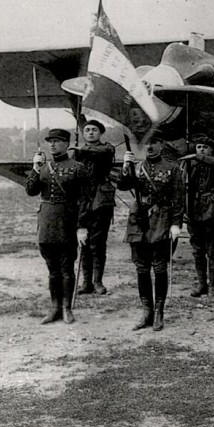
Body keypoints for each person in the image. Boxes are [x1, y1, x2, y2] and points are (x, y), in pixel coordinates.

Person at [118, 130, 183, 332]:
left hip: (161, 220)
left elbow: (178, 198)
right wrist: (126, 166)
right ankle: (146, 311)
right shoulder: (136, 167)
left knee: (160, 267)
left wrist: (176, 224)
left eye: (154, 143)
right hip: (139, 220)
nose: (150, 147)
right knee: (142, 268)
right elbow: (123, 185)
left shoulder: (172, 168)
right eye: (146, 143)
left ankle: (159, 311)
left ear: (162, 145)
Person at [25, 129, 91, 324]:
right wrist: (35, 169)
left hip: (67, 221)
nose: (52, 145)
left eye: (57, 141)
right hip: (46, 222)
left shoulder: (78, 168)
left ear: (66, 144)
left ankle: (66, 308)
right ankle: (54, 308)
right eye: (50, 141)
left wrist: (82, 226)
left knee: (66, 267)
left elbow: (85, 200)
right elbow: (30, 191)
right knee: (52, 268)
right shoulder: (44, 167)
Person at [181, 133, 214, 298]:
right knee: (197, 248)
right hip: (194, 208)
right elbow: (183, 187)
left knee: (213, 248)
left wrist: (197, 156)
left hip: (213, 207)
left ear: (211, 150)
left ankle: (213, 285)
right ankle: (202, 283)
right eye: (199, 147)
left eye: (205, 147)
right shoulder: (189, 164)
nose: (201, 150)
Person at [72, 119, 116, 295]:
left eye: (94, 130)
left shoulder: (106, 148)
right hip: (83, 199)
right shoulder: (78, 152)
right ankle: (86, 283)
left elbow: (102, 152)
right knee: (83, 241)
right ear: (83, 134)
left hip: (100, 200)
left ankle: (98, 281)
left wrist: (82, 151)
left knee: (98, 242)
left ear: (101, 133)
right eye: (87, 130)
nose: (90, 133)